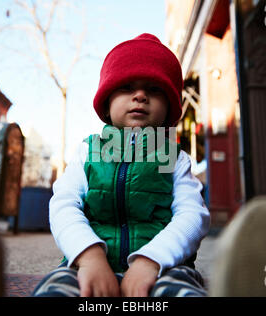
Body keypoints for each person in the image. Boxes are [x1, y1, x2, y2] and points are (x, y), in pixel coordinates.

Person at [32, 33, 211, 297]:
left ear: (170, 108)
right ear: (106, 103)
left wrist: (152, 260)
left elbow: (192, 216)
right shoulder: (88, 152)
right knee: (56, 287)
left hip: (163, 268)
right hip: (88, 265)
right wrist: (89, 255)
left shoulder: (173, 158)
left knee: (181, 290)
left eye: (154, 89)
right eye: (127, 87)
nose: (140, 95)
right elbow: (64, 205)